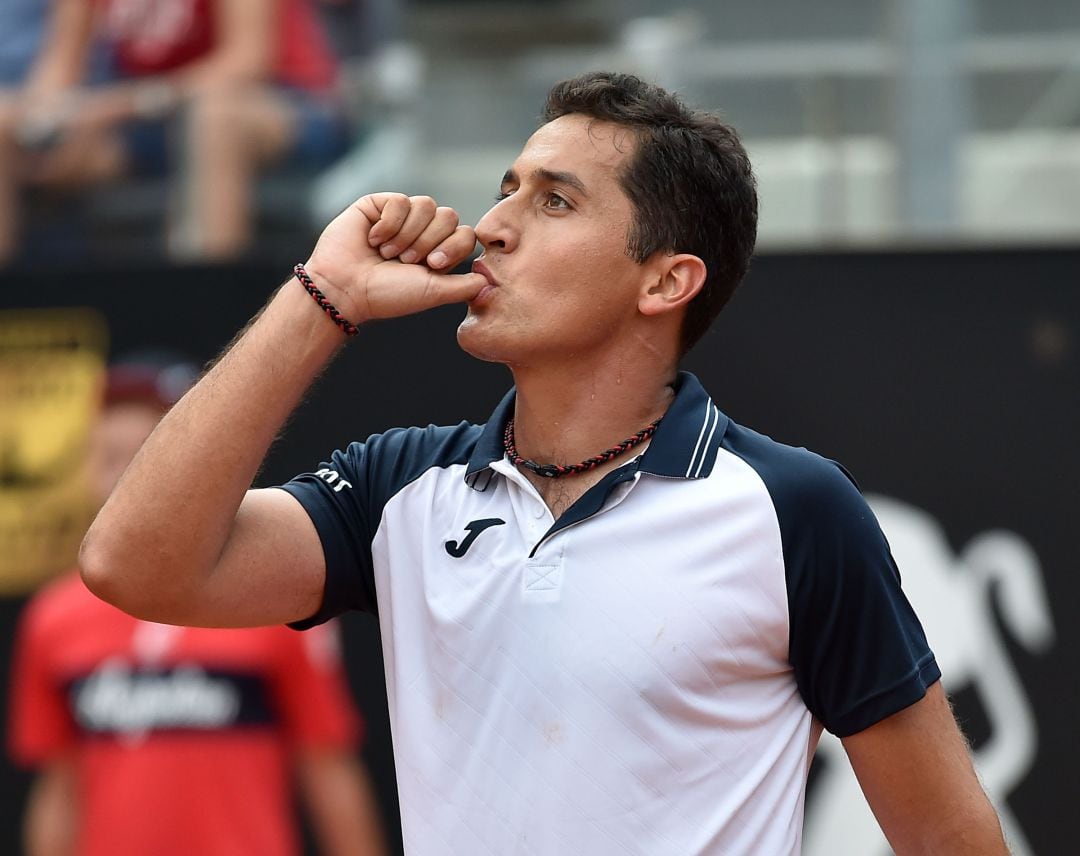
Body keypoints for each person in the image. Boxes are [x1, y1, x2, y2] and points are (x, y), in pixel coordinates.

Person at [79, 72, 1009, 854]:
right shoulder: (399, 488)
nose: (491, 226)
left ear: (665, 280)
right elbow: (135, 564)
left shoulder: (793, 509)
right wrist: (324, 297)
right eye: (507, 187)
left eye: (554, 200)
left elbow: (948, 839)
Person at [8, 354, 386, 856]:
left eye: (141, 457)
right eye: (105, 457)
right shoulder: (53, 616)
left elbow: (327, 766)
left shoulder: (272, 595)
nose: (120, 478)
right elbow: (59, 786)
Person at [0, 0, 349, 266]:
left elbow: (247, 61)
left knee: (213, 120)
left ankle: (210, 328)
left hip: (281, 102)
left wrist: (119, 106)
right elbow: (61, 66)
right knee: (5, 122)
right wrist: (43, 123)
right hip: (151, 115)